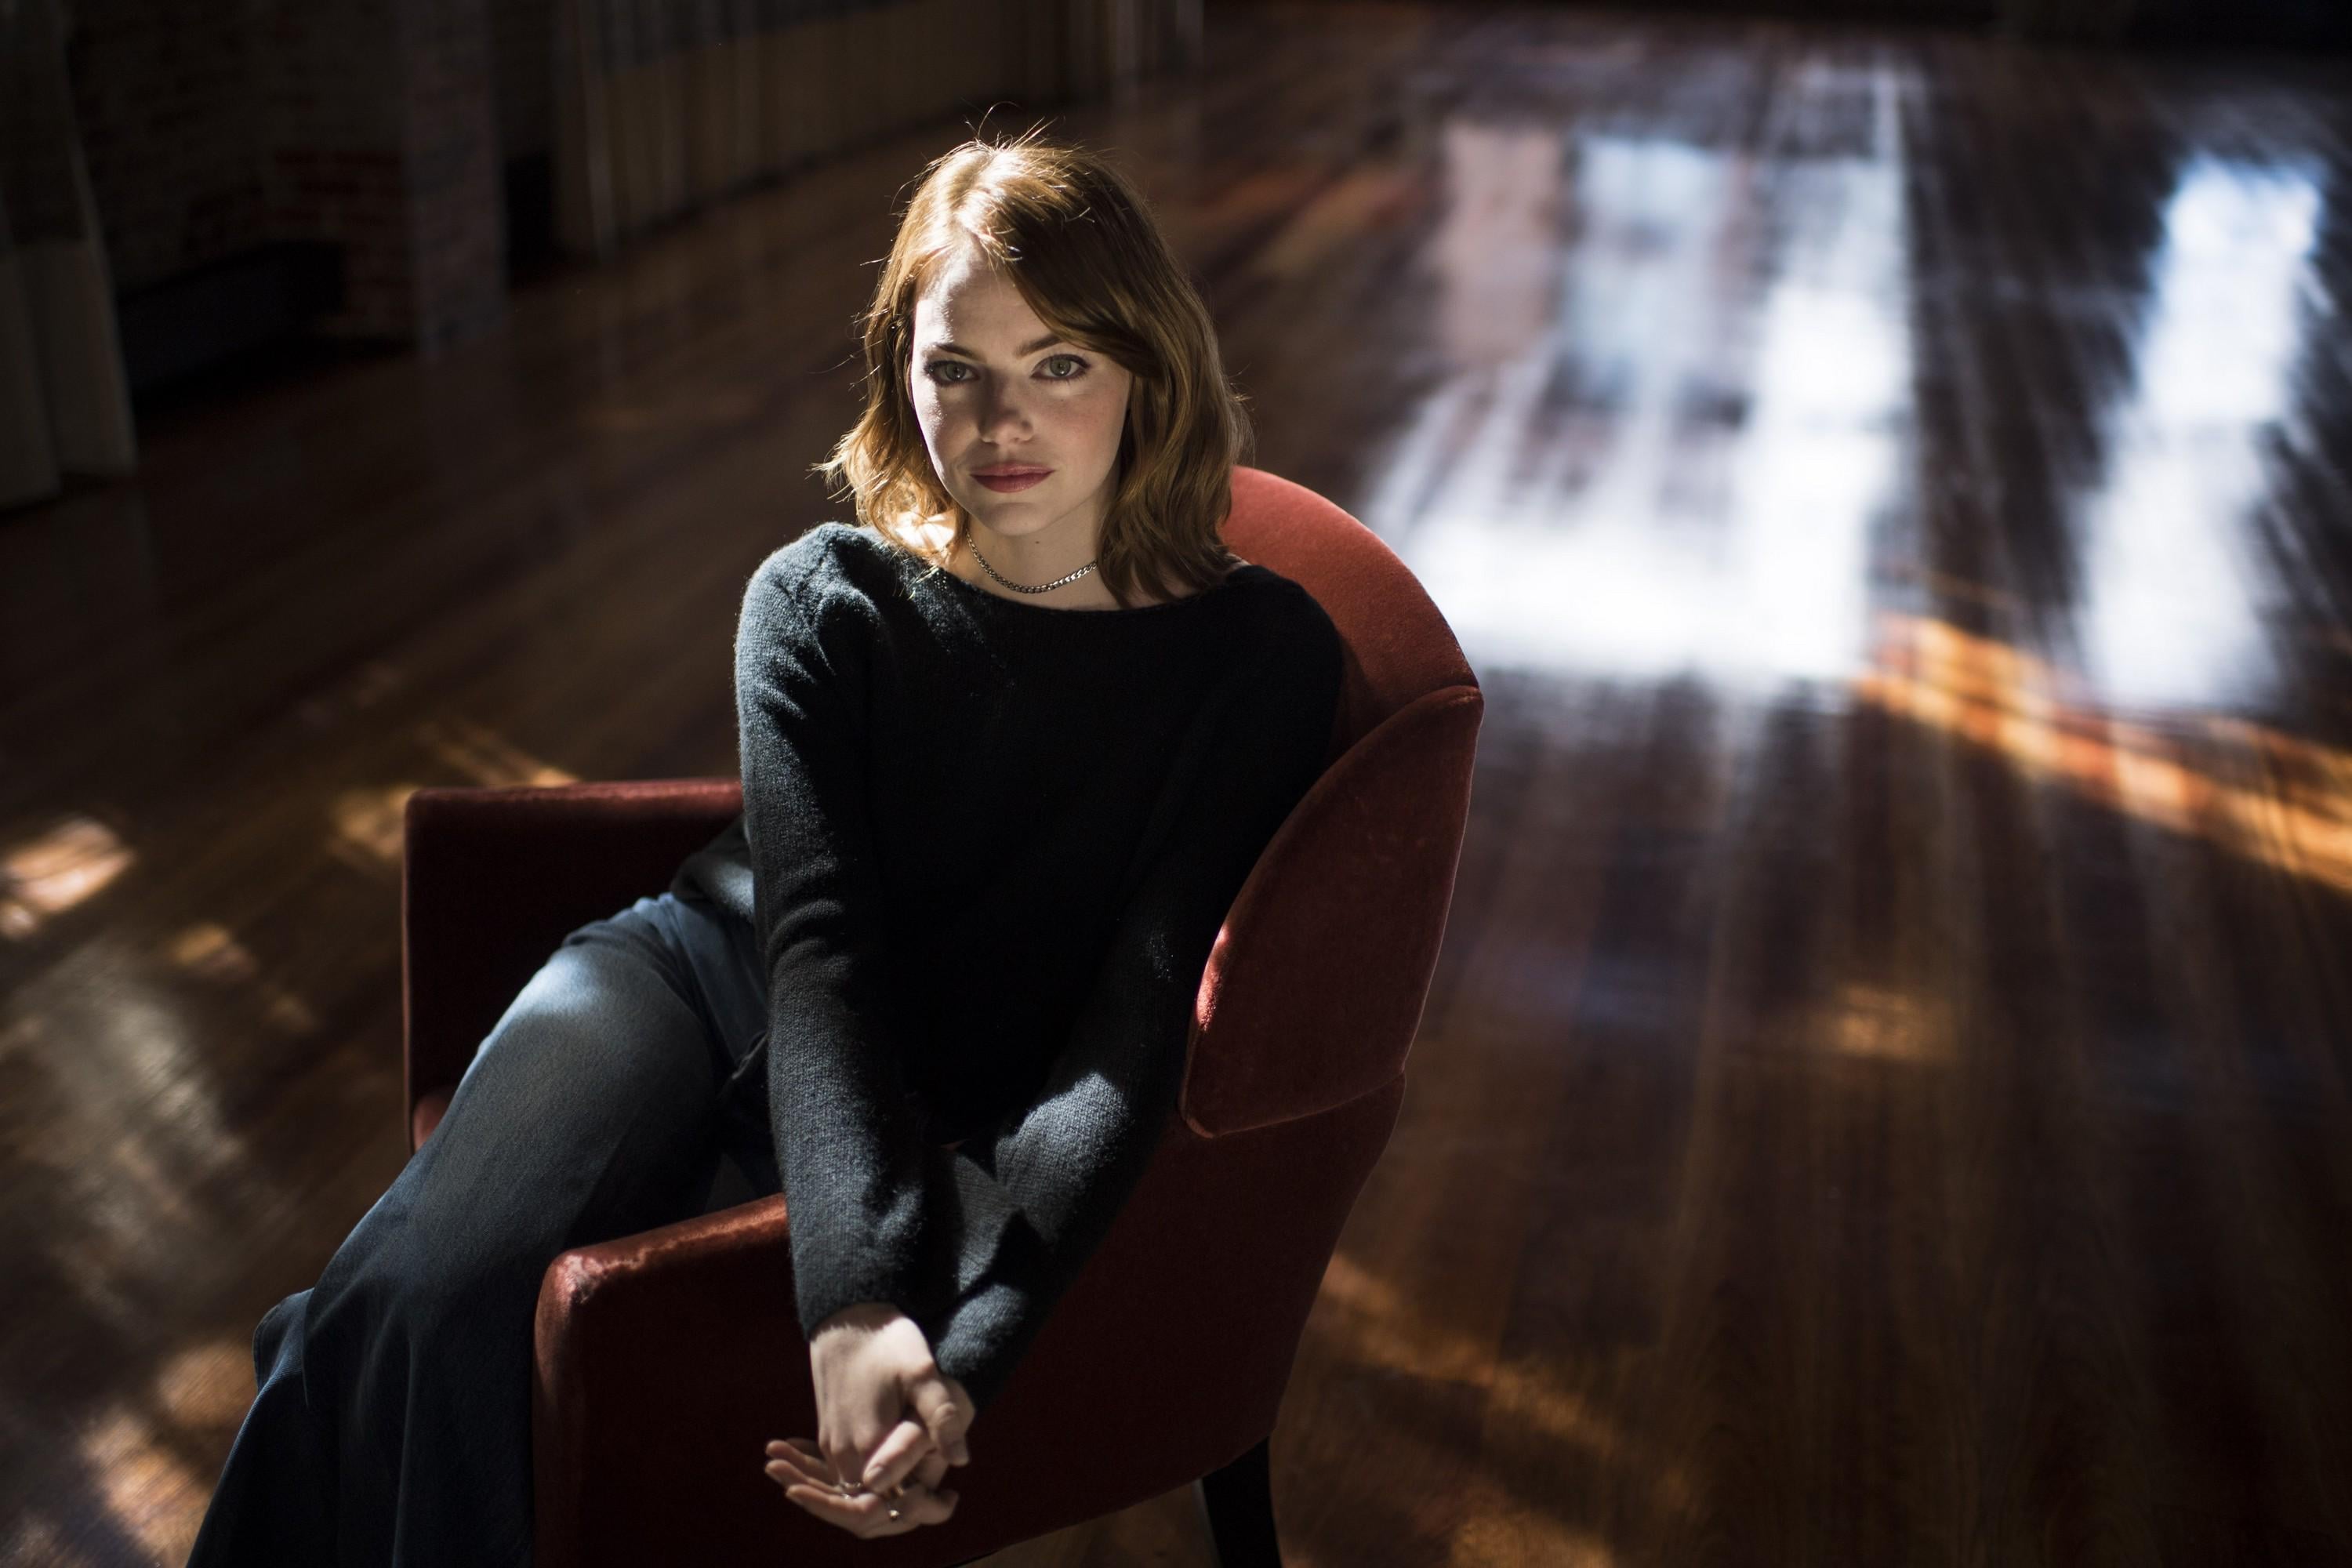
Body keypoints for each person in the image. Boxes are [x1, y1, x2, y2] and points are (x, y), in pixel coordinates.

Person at [184, 124, 1341, 1565]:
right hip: (691, 980)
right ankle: (333, 1362)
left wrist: (963, 1351)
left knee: (402, 1345)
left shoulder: (1259, 657)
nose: (1001, 424)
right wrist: (853, 1300)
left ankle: (313, 1372)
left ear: (1147, 367)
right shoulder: (820, 597)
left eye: (1059, 364)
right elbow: (817, 952)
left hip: (927, 1091)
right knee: (421, 1301)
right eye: (955, 369)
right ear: (899, 371)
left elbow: (1135, 1027)